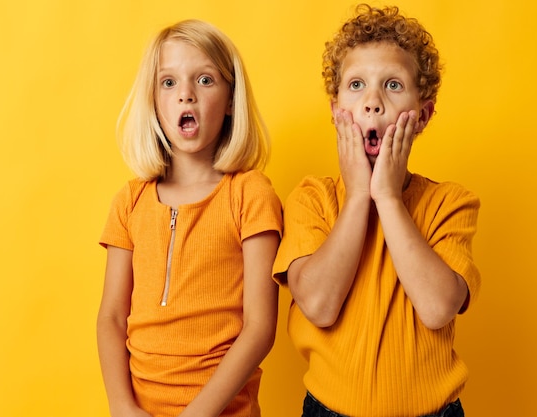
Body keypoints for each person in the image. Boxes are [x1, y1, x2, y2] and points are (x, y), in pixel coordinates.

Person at [273, 4, 480, 417]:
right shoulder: (312, 198)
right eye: (356, 85)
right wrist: (357, 198)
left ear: (422, 115)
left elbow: (438, 308)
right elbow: (317, 304)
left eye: (392, 85)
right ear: (336, 112)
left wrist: (387, 197)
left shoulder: (450, 203)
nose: (372, 102)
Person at [97, 19, 282, 417]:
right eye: (169, 83)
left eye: (205, 80)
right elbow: (111, 316)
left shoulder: (251, 195)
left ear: (232, 100)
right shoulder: (130, 201)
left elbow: (260, 328)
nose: (186, 96)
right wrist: (121, 407)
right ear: (154, 100)